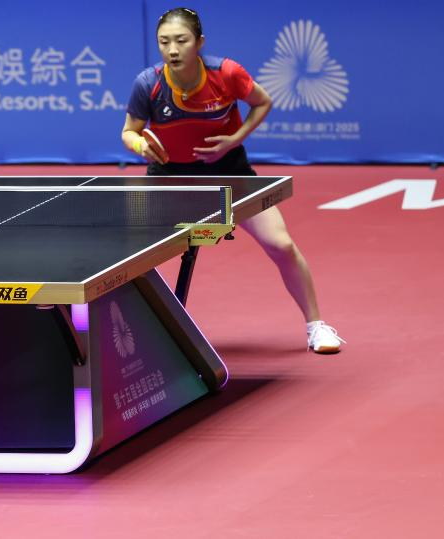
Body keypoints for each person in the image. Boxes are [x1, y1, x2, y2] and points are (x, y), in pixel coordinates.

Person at [121, 7, 344, 354]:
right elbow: (129, 132)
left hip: (229, 174)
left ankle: (317, 326)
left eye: (181, 41)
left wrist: (235, 139)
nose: (172, 50)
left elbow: (262, 102)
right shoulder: (148, 84)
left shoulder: (225, 73)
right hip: (170, 178)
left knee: (281, 245)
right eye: (164, 42)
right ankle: (137, 338)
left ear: (199, 42)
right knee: (129, 258)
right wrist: (141, 146)